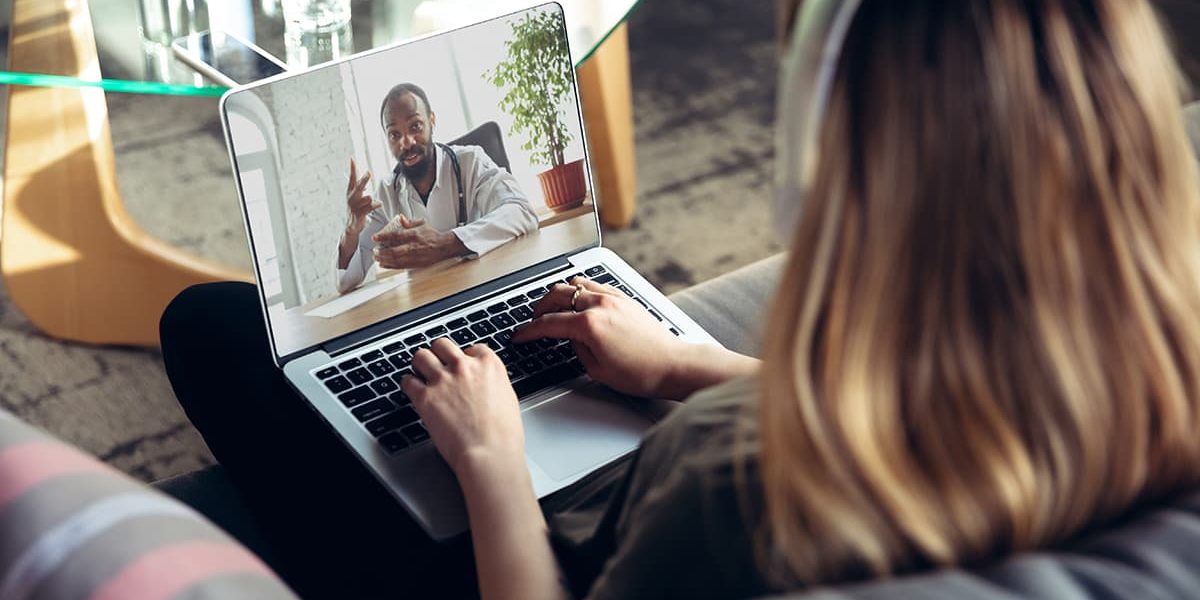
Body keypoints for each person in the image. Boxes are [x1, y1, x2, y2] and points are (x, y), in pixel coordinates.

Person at [160, 0, 1200, 598]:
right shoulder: (1153, 372)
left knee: (209, 329)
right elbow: (351, 281)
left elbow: (514, 216)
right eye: (389, 133)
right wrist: (687, 365)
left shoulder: (728, 502)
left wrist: (489, 467)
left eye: (407, 125)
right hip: (656, 400)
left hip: (525, 553)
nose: (400, 142)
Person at [336, 83, 538, 293]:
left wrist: (446, 243)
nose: (406, 143)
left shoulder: (471, 161)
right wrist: (351, 228)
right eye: (394, 134)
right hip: (427, 303)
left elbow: (522, 211)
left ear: (432, 121)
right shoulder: (387, 192)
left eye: (415, 126)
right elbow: (345, 282)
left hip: (483, 288)